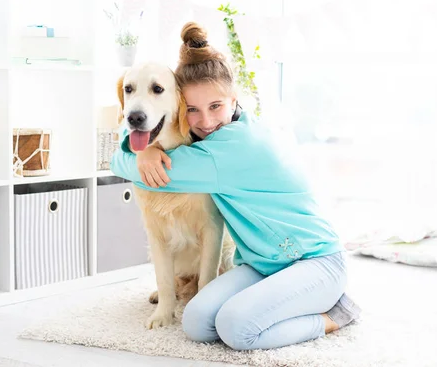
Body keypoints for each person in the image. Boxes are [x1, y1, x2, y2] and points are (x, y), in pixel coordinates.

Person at [110, 22, 361, 351]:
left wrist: (139, 154)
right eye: (193, 110)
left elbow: (123, 166)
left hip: (314, 262)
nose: (206, 122)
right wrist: (147, 148)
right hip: (261, 264)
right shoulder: (219, 137)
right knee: (197, 322)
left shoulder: (227, 149)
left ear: (234, 98)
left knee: (237, 329)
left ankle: (335, 314)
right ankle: (278, 303)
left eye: (215, 106)